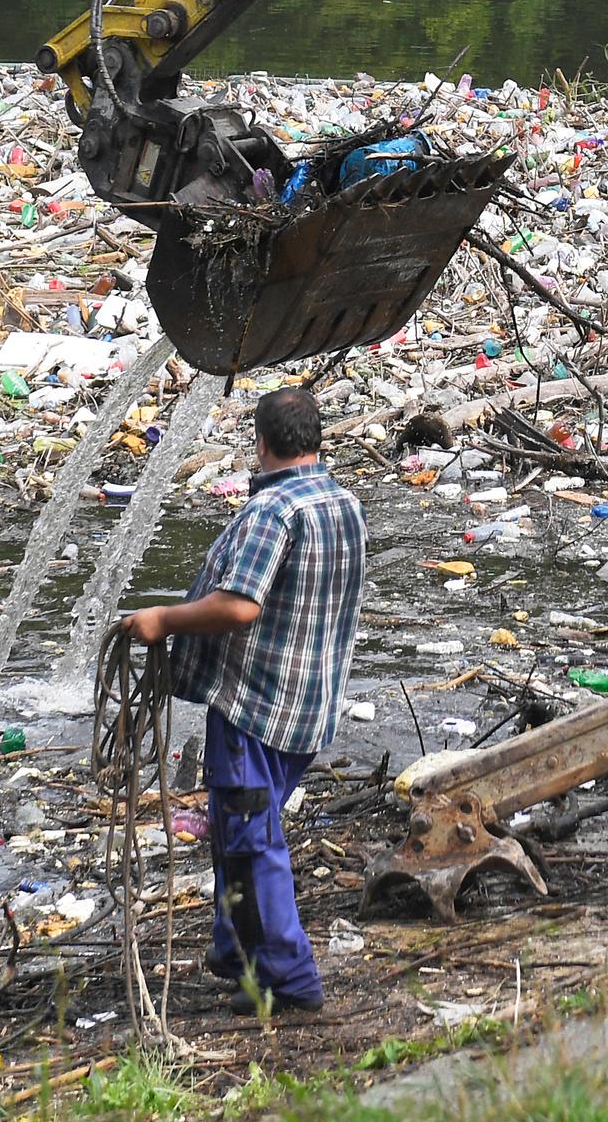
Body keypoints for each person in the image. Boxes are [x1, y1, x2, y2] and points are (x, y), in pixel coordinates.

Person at [115, 385, 363, 1015]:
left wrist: (161, 620)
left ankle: (286, 977)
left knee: (251, 840)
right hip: (311, 704)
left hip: (257, 705)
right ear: (314, 439)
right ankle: (235, 949)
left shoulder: (272, 512)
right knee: (240, 826)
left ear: (261, 442)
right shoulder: (343, 503)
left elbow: (239, 606)